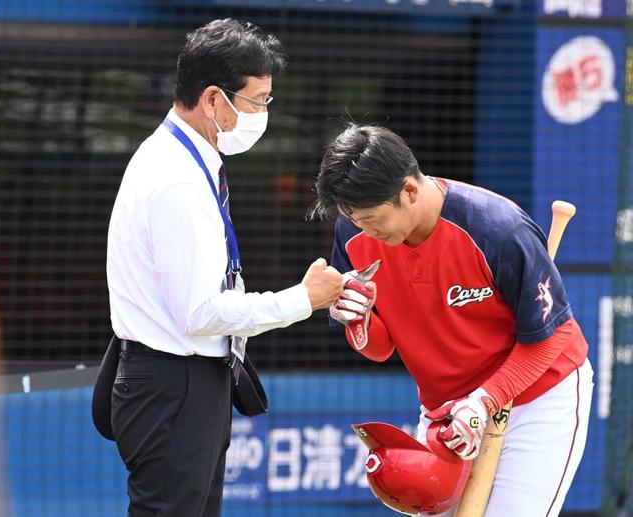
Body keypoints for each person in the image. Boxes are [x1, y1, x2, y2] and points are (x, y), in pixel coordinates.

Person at [106, 19, 342, 517]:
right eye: (257, 101)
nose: (263, 114)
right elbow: (200, 312)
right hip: (174, 384)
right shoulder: (176, 181)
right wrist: (304, 299)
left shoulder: (188, 162)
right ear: (214, 99)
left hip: (188, 381)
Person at [311, 123, 594, 517]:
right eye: (355, 220)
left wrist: (485, 399)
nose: (366, 230)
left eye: (372, 218)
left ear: (409, 191)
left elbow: (554, 334)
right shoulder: (354, 231)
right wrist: (357, 325)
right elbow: (380, 348)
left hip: (536, 397)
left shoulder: (497, 227)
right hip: (446, 409)